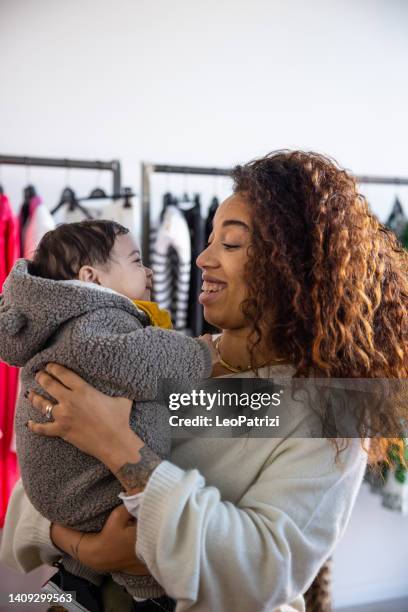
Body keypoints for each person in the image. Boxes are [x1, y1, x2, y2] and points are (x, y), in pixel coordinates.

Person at [2, 150, 407, 612]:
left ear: (294, 266)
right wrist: (87, 549)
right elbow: (49, 474)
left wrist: (118, 447)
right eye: (210, 239)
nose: (201, 257)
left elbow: (263, 569)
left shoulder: (328, 407)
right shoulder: (170, 359)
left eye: (230, 245)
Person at [0, 220, 214, 604]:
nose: (202, 257)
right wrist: (202, 353)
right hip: (85, 499)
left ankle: (79, 582)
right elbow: (143, 359)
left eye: (230, 244)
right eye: (136, 261)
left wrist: (82, 548)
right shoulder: (96, 324)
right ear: (91, 277)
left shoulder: (306, 400)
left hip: (69, 498)